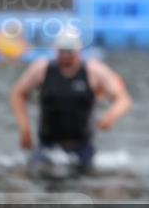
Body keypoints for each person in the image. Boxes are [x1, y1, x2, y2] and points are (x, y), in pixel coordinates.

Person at [10, 28, 131, 175]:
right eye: (62, 51)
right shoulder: (42, 69)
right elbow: (18, 93)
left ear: (78, 50)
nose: (66, 56)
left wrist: (109, 118)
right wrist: (24, 130)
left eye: (69, 51)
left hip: (81, 147)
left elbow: (123, 98)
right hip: (48, 147)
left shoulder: (93, 71)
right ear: (56, 50)